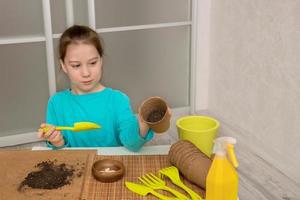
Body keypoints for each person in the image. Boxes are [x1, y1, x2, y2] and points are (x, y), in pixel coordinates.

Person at [38, 25, 159, 151]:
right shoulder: (56, 103)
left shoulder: (118, 100)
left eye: (92, 63)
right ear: (63, 65)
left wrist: (144, 124)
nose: (86, 73)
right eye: (76, 65)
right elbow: (60, 155)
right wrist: (56, 141)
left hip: (112, 167)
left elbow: (132, 145)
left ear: (101, 60)